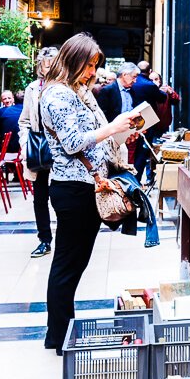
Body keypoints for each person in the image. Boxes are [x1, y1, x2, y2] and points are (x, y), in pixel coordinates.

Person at [40, 33, 136, 354]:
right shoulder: (56, 95)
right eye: (89, 65)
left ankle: (61, 332)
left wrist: (122, 131)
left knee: (76, 261)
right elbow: (73, 142)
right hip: (72, 189)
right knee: (68, 263)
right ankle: (59, 335)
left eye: (95, 65)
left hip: (89, 185)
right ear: (73, 60)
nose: (93, 72)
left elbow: (98, 136)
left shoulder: (79, 92)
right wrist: (112, 127)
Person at [19, 46, 59, 258]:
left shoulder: (67, 86)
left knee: (61, 196)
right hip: (39, 149)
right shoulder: (32, 89)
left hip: (63, 150)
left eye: (53, 64)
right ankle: (44, 239)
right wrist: (25, 144)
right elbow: (24, 121)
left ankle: (65, 238)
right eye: (45, 66)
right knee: (40, 197)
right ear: (40, 67)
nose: (49, 69)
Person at [129, 61, 167, 183]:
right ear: (149, 72)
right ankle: (136, 179)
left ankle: (130, 178)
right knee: (142, 151)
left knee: (130, 151)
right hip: (146, 121)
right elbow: (162, 97)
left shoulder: (133, 83)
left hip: (129, 119)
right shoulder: (149, 85)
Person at [147, 71, 180, 184]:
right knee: (151, 152)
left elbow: (176, 100)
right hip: (150, 126)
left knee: (161, 152)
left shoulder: (165, 90)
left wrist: (171, 93)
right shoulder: (149, 90)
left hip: (163, 126)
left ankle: (161, 177)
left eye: (156, 79)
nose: (154, 82)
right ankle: (150, 177)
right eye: (151, 80)